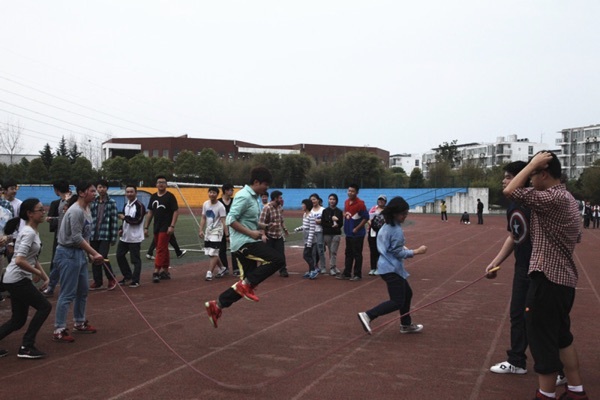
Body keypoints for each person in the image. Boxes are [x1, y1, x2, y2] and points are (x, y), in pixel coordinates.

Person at [503, 151, 588, 400]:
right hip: (565, 281)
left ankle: (546, 394)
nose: (530, 180)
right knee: (562, 338)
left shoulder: (550, 197)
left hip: (546, 280)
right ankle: (575, 390)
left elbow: (511, 192)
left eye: (534, 175)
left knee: (542, 343)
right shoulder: (570, 199)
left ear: (543, 173)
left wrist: (531, 164)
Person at [204, 167, 286, 328]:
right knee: (278, 259)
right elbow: (230, 219)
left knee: (246, 286)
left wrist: (265, 226)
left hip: (248, 240)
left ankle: (217, 305)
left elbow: (249, 220)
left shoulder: (253, 198)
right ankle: (246, 284)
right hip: (244, 243)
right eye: (265, 185)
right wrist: (252, 233)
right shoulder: (243, 196)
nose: (266, 189)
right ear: (256, 182)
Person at [486, 162, 533, 375]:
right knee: (516, 314)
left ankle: (558, 368)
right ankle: (517, 361)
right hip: (522, 268)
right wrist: (496, 261)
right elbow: (514, 236)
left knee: (542, 319)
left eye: (508, 177)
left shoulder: (536, 204)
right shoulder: (513, 205)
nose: (503, 181)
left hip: (541, 270)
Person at [357, 196, 428, 335]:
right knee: (397, 301)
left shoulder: (387, 225)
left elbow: (390, 246)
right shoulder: (395, 230)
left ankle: (406, 324)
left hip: (387, 266)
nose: (405, 216)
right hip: (390, 269)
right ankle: (368, 315)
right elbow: (397, 252)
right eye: (403, 214)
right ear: (395, 213)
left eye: (406, 213)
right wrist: (417, 251)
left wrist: (402, 248)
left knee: (407, 294)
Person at [0, 198, 52, 359]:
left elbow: (31, 257)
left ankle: (26, 346)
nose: (43, 212)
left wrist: (44, 276)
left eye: (43, 209)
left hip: (16, 278)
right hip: (17, 279)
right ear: (29, 213)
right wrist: (36, 273)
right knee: (44, 307)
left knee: (18, 320)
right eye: (39, 210)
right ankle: (26, 346)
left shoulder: (32, 231)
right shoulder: (28, 232)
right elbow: (19, 260)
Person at [53, 182, 104, 343]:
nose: (95, 193)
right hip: (68, 254)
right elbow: (75, 237)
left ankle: (79, 322)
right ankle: (59, 328)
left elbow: (85, 234)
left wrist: (89, 255)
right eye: (92, 191)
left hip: (79, 254)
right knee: (67, 293)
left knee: (82, 290)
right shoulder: (75, 211)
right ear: (82, 193)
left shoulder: (87, 209)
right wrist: (94, 253)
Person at [144, 176, 180, 283]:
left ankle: (156, 271)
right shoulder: (153, 196)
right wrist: (146, 227)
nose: (161, 184)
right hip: (157, 226)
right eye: (159, 182)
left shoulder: (170, 196)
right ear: (156, 184)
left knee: (160, 248)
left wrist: (172, 225)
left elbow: (175, 211)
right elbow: (150, 212)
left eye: (163, 182)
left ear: (166, 184)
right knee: (164, 248)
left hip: (166, 227)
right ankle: (165, 270)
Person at [89, 180, 119, 291]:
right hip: (93, 234)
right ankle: (98, 281)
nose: (102, 189)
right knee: (94, 257)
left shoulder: (111, 202)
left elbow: (114, 220)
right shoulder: (93, 202)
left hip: (105, 234)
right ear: (97, 188)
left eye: (104, 187)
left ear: (107, 189)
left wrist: (113, 236)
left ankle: (111, 278)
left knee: (103, 256)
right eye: (100, 187)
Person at [43, 181, 71, 296]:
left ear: (56, 189)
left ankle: (63, 287)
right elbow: (62, 217)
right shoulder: (63, 201)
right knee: (57, 262)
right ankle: (51, 287)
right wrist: (54, 219)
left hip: (69, 238)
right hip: (61, 236)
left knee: (66, 263)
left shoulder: (70, 200)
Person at [116, 185, 146, 288]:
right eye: (127, 192)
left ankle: (135, 280)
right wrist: (121, 229)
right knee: (119, 255)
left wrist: (125, 218)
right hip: (125, 236)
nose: (129, 194)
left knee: (135, 259)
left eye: (131, 192)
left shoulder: (139, 206)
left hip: (135, 237)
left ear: (135, 193)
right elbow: (124, 222)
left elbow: (137, 220)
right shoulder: (126, 205)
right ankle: (127, 276)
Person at [338, 184, 369, 281]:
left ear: (357, 192)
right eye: (349, 190)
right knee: (348, 253)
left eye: (352, 191)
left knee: (357, 253)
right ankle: (347, 273)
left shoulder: (360, 204)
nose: (350, 193)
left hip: (358, 234)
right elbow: (347, 213)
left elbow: (366, 217)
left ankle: (357, 274)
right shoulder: (346, 202)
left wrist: (357, 228)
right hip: (349, 233)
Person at [199, 187, 228, 281]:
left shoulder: (220, 206)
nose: (212, 194)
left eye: (214, 192)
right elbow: (203, 217)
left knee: (213, 252)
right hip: (209, 231)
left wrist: (227, 234)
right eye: (210, 192)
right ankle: (222, 268)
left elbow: (224, 221)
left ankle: (209, 272)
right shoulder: (205, 204)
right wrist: (201, 230)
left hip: (217, 231)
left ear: (217, 194)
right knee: (209, 252)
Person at [259, 190, 289, 277]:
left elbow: (281, 220)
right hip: (269, 235)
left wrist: (285, 229)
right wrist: (263, 235)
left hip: (278, 235)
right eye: (280, 198)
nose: (281, 199)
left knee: (281, 254)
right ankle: (264, 270)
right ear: (275, 198)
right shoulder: (266, 208)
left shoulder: (280, 207)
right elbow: (261, 222)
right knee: (267, 254)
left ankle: (283, 270)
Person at [218, 183, 238, 276]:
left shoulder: (234, 201)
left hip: (233, 227)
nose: (232, 191)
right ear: (226, 190)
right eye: (231, 190)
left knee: (234, 248)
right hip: (220, 228)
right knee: (222, 249)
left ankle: (236, 268)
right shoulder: (219, 202)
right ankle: (224, 268)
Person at [321, 193, 344, 276]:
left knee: (333, 251)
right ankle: (332, 266)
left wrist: (337, 225)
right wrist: (331, 222)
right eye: (330, 199)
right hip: (327, 234)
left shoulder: (339, 211)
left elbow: (341, 223)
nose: (332, 201)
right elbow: (323, 223)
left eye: (333, 199)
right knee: (329, 250)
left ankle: (332, 267)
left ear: (336, 201)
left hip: (336, 233)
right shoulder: (325, 211)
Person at [295, 199, 317, 279]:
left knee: (306, 255)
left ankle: (314, 270)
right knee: (309, 255)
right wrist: (298, 229)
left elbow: (312, 229)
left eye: (303, 204)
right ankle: (311, 270)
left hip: (310, 239)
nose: (302, 206)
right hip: (306, 238)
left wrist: (309, 242)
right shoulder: (305, 215)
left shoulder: (311, 216)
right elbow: (305, 226)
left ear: (307, 205)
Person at [367, 195, 387, 276]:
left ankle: (380, 268)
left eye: (382, 200)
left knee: (380, 250)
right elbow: (368, 219)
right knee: (373, 250)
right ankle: (373, 268)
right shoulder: (373, 209)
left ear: (385, 202)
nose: (380, 201)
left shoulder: (387, 210)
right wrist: (372, 225)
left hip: (383, 232)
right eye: (379, 200)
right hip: (372, 232)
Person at [309, 193, 326, 274]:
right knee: (312, 251)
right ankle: (314, 266)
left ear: (318, 200)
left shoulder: (323, 210)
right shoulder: (310, 210)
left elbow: (325, 221)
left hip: (320, 232)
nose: (313, 201)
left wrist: (320, 221)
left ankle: (323, 267)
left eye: (314, 199)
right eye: (311, 200)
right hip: (312, 232)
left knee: (320, 250)